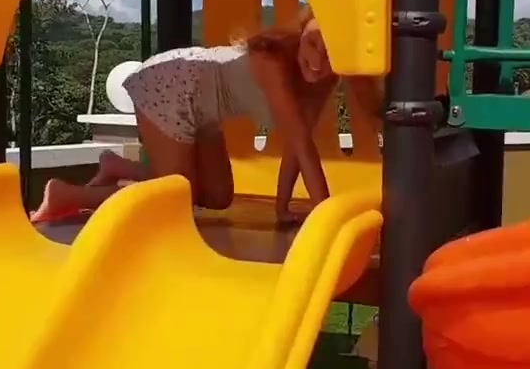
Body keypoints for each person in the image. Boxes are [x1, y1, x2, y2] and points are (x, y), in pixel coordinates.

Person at [31, 11, 366, 224]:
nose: (318, 60)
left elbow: (296, 148)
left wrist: (282, 208)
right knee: (177, 195)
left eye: (330, 53)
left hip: (205, 111)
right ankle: (67, 195)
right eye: (312, 44)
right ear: (299, 37)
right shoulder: (274, 63)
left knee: (218, 198)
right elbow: (302, 144)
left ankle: (118, 167)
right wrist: (327, 219)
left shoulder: (322, 82)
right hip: (172, 84)